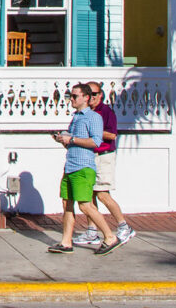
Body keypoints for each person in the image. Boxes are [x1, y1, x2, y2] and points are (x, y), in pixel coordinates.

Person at [46, 83, 121, 255]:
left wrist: (71, 139)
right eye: (70, 96)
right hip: (70, 165)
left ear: (86, 98)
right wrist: (63, 140)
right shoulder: (76, 117)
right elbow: (73, 142)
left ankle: (110, 237)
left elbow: (95, 142)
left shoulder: (93, 117)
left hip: (84, 168)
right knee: (67, 203)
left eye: (74, 96)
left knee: (85, 205)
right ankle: (66, 242)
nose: (71, 99)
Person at [75, 81, 135, 248]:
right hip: (89, 156)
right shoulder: (85, 112)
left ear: (100, 95)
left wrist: (93, 130)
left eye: (94, 94)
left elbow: (112, 135)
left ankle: (124, 226)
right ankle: (92, 230)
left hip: (104, 155)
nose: (91, 97)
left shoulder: (105, 111)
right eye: (89, 94)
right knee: (89, 195)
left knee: (103, 194)